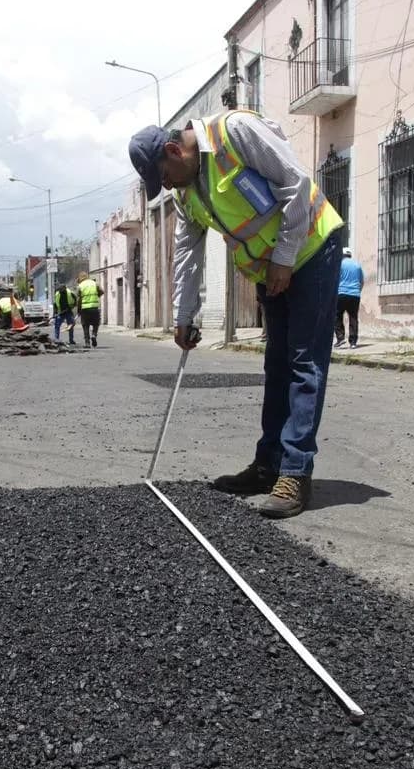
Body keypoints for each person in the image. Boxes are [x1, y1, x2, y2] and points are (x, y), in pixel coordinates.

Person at [127, 109, 344, 518]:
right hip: (271, 267)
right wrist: (184, 316)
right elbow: (187, 253)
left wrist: (284, 258)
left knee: (303, 361)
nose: (167, 186)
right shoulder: (186, 193)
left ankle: (295, 472)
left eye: (165, 176)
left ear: (174, 150)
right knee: (276, 364)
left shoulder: (235, 133)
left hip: (312, 247)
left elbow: (297, 184)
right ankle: (268, 465)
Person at [335, 247, 364, 348]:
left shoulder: (340, 264)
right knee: (353, 317)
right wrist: (357, 292)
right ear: (350, 255)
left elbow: (335, 279)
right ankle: (353, 342)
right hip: (355, 295)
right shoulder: (357, 265)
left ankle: (340, 338)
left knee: (337, 315)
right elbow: (361, 282)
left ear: (342, 255)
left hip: (341, 293)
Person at [76, 271, 102, 348]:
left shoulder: (80, 286)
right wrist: (96, 296)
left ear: (80, 278)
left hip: (85, 309)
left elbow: (79, 299)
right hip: (94, 307)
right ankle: (94, 335)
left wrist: (78, 310)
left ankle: (87, 343)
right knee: (96, 324)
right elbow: (102, 291)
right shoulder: (95, 283)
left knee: (85, 326)